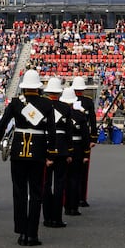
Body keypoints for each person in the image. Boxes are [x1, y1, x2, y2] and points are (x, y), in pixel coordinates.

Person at [0, 69, 56, 247]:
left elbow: (2, 125)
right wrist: (51, 153)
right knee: (36, 194)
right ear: (38, 87)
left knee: (19, 193)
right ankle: (32, 234)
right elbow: (51, 132)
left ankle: (21, 232)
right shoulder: (46, 104)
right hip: (38, 152)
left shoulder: (16, 103)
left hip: (18, 152)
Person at [42, 77, 70, 228]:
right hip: (62, 148)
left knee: (45, 184)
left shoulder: (43, 105)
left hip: (45, 146)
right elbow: (69, 132)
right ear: (59, 93)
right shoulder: (66, 108)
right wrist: (69, 151)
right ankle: (57, 218)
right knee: (59, 184)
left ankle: (47, 217)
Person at [61, 87, 89, 217]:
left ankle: (66, 206)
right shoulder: (80, 115)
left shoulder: (59, 114)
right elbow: (85, 136)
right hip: (77, 148)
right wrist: (86, 153)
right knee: (76, 178)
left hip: (64, 147)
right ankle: (74, 206)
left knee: (64, 178)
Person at [70, 76, 97, 207]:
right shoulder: (88, 101)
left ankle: (69, 197)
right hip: (84, 138)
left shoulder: (67, 100)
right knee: (83, 171)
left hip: (68, 138)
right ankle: (81, 197)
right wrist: (93, 138)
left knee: (68, 171)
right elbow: (93, 121)